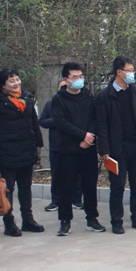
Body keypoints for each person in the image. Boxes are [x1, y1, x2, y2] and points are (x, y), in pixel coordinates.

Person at [0, 68, 45, 237]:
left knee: (25, 186)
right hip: (6, 151)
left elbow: (33, 120)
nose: (16, 83)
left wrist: (38, 142)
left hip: (26, 148)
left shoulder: (25, 96)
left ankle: (28, 220)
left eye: (17, 79)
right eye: (11, 81)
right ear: (2, 85)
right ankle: (9, 222)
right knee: (7, 188)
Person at [96, 56, 136, 234]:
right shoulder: (105, 96)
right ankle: (117, 221)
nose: (132, 74)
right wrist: (104, 150)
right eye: (130, 71)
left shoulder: (134, 91)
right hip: (117, 148)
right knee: (117, 187)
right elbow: (102, 125)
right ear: (119, 72)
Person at [52, 62, 105, 236]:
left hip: (88, 149)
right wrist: (82, 136)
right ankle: (65, 220)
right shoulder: (59, 99)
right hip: (68, 149)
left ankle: (92, 218)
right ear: (66, 79)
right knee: (66, 186)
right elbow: (61, 122)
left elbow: (96, 119)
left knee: (90, 185)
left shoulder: (89, 97)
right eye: (75, 77)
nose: (79, 80)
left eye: (81, 76)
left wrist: (89, 137)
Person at [39, 80, 84, 212]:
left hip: (74, 144)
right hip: (56, 145)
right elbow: (42, 121)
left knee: (77, 173)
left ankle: (76, 200)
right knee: (57, 174)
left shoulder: (78, 103)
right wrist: (58, 121)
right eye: (62, 87)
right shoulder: (50, 104)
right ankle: (56, 201)